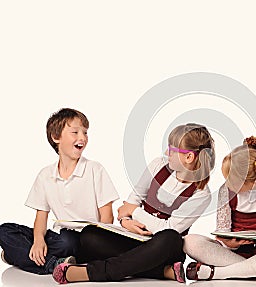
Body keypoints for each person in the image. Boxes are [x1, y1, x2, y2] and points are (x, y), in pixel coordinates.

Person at [52, 123, 215, 284]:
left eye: (172, 150)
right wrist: (126, 221)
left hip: (163, 248)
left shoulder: (201, 194)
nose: (167, 153)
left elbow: (168, 227)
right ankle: (162, 271)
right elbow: (132, 201)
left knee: (171, 238)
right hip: (136, 238)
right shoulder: (158, 165)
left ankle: (92, 272)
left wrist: (134, 212)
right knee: (89, 235)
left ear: (189, 157)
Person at [0, 108, 119, 275]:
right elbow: (41, 217)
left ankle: (17, 255)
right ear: (56, 138)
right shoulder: (45, 175)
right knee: (4, 231)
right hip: (58, 237)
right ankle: (55, 264)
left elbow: (107, 217)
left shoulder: (94, 169)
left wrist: (100, 247)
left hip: (84, 239)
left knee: (67, 243)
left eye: (85, 132)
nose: (82, 138)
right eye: (75, 132)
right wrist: (38, 240)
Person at [183, 136, 256, 282]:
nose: (228, 184)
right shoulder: (226, 190)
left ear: (251, 181)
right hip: (234, 253)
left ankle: (217, 273)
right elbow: (223, 229)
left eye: (232, 181)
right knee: (189, 241)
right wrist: (230, 243)